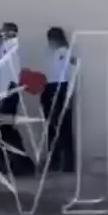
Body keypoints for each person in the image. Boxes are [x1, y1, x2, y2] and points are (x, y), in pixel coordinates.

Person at [0, 22, 34, 175]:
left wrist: (2, 96)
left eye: (5, 32)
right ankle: (19, 162)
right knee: (5, 128)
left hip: (9, 90)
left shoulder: (11, 48)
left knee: (6, 128)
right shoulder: (8, 48)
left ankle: (22, 162)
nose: (3, 34)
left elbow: (8, 74)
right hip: (7, 91)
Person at [41, 26, 77, 173]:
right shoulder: (52, 54)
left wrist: (68, 96)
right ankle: (55, 161)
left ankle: (67, 163)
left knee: (63, 129)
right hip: (51, 89)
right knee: (52, 128)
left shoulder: (65, 53)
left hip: (60, 90)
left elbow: (71, 75)